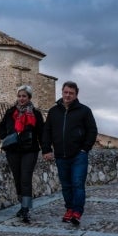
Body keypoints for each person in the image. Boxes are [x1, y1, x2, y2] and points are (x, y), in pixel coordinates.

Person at [41, 81, 98, 225]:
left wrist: (85, 148)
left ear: (76, 94)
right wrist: (46, 149)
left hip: (79, 155)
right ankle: (69, 209)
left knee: (78, 183)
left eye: (71, 93)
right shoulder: (54, 111)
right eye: (65, 92)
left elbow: (92, 130)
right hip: (60, 155)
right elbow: (47, 131)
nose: (68, 95)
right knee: (66, 185)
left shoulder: (84, 111)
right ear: (62, 92)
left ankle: (77, 211)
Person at [0, 85, 44, 223]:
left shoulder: (35, 114)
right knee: (17, 178)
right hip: (13, 150)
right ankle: (22, 204)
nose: (21, 98)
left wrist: (46, 149)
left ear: (29, 97)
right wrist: (8, 136)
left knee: (26, 178)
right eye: (19, 96)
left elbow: (41, 132)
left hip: (30, 150)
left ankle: (26, 208)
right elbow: (1, 129)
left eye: (24, 96)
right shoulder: (10, 112)